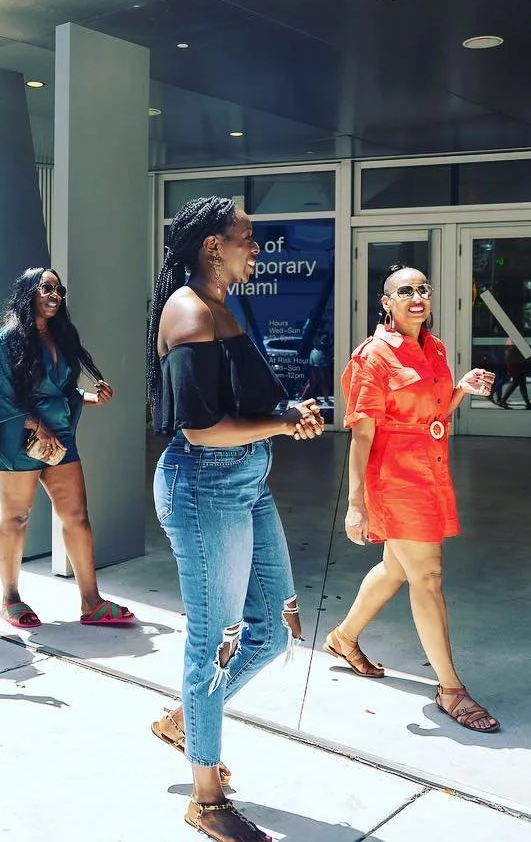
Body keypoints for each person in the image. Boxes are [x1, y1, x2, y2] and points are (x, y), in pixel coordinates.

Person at [147, 196, 324, 842]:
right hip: (205, 487)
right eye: (247, 239)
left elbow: (244, 403)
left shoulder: (219, 307)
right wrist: (279, 421)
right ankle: (206, 799)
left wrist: (287, 410)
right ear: (212, 246)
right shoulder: (190, 312)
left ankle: (187, 721)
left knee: (274, 629)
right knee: (213, 638)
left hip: (247, 478)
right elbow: (198, 429)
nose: (257, 248)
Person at [324, 264, 501, 733]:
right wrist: (356, 504)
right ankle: (450, 689)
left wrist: (461, 388)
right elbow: (361, 436)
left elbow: (435, 411)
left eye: (424, 289)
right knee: (428, 574)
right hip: (394, 478)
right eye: (405, 291)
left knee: (397, 569)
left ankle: (343, 638)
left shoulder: (436, 348)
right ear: (386, 302)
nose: (417, 297)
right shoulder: (373, 357)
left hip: (431, 471)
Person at [0, 268, 135, 630]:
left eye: (59, 290)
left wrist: (90, 398)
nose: (55, 295)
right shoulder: (7, 341)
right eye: (46, 288)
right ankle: (10, 597)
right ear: (28, 292)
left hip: (60, 436)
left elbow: (59, 390)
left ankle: (91, 600)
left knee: (77, 516)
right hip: (19, 436)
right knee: (16, 519)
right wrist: (35, 423)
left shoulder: (62, 337)